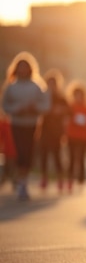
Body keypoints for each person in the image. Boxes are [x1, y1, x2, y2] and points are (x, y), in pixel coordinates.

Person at [1, 51, 50, 201]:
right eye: (20, 67)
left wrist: (34, 108)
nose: (23, 70)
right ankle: (20, 179)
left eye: (25, 67)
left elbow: (45, 105)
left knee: (28, 151)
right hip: (16, 123)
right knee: (19, 151)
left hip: (32, 123)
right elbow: (5, 106)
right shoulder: (11, 86)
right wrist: (18, 109)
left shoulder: (36, 86)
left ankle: (24, 180)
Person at [38, 69, 71, 192]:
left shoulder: (61, 98)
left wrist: (60, 111)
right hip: (44, 130)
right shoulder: (42, 97)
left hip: (57, 131)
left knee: (57, 156)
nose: (51, 86)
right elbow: (38, 110)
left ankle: (60, 179)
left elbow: (69, 112)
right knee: (44, 155)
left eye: (53, 83)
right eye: (49, 83)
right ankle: (44, 178)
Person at [65, 80, 86, 193]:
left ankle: (81, 180)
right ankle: (70, 180)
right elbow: (66, 120)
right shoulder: (70, 107)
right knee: (71, 159)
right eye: (76, 95)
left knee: (81, 159)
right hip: (71, 136)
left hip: (84, 137)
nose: (78, 97)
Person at [0, 108, 17, 190]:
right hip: (7, 150)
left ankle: (15, 181)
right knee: (7, 166)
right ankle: (4, 179)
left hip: (16, 150)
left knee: (14, 166)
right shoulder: (4, 124)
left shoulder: (17, 125)